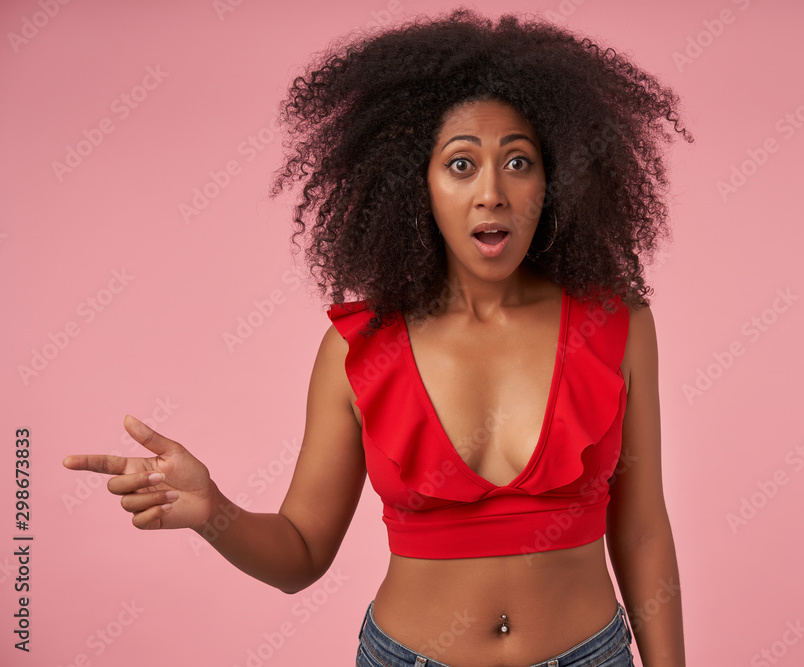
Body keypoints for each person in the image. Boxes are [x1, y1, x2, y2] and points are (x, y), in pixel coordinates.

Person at [62, 7, 692, 666]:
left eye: (518, 161)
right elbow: (301, 552)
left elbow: (643, 530)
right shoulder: (358, 349)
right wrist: (214, 509)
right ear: (415, 185)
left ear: (556, 179)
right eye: (460, 165)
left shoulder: (616, 326)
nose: (492, 192)